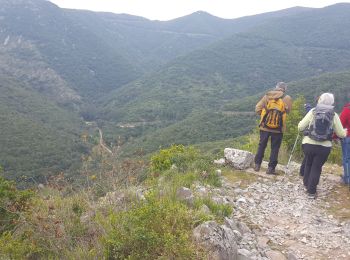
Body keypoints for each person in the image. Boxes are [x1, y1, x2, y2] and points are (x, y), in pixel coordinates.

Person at [298, 93, 347, 199]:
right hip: (324, 147)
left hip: (308, 144)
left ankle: (307, 184)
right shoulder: (333, 115)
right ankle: (311, 192)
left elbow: (301, 127)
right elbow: (341, 134)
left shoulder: (313, 111)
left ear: (320, 100)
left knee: (308, 164)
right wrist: (346, 131)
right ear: (332, 102)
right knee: (316, 167)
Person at [254, 82, 293, 174]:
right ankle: (271, 169)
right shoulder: (287, 98)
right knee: (275, 148)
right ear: (285, 89)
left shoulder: (268, 96)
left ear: (276, 87)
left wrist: (265, 116)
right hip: (278, 129)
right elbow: (288, 111)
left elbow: (257, 108)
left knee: (262, 145)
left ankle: (257, 165)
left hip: (264, 127)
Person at [340, 92, 350, 184]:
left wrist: (334, 136)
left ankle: (347, 179)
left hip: (348, 138)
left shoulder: (347, 110)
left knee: (347, 158)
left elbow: (340, 125)